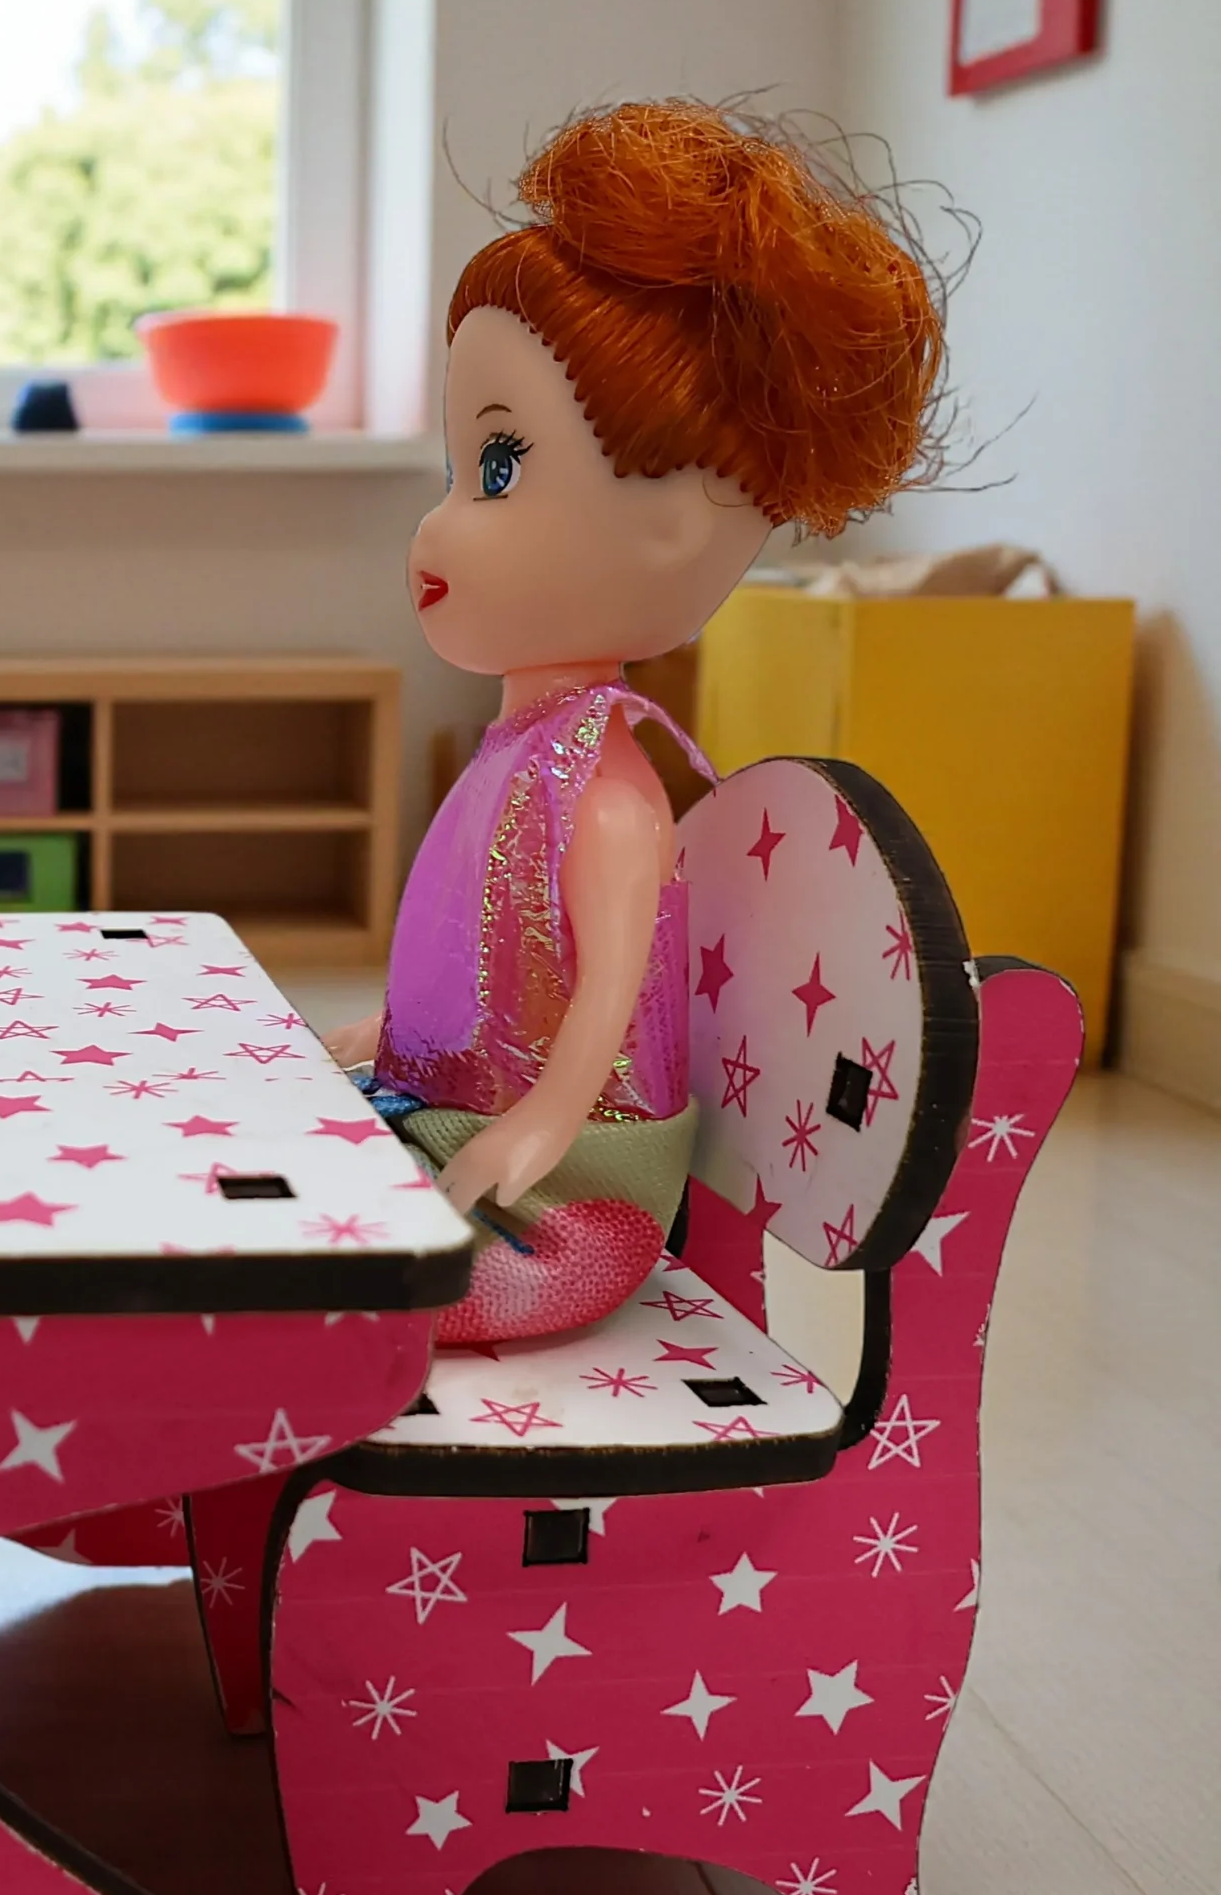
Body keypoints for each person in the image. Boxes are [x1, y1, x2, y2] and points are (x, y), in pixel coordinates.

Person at [324, 100, 946, 1343]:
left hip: (557, 1205)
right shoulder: (516, 754)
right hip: (443, 1121)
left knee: (295, 1274)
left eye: (497, 469)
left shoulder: (605, 789)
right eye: (456, 473)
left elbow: (605, 995)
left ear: (675, 522)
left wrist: (544, 1123)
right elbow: (483, 953)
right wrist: (387, 1037)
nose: (441, 527)